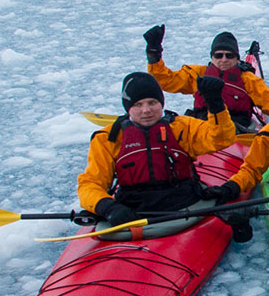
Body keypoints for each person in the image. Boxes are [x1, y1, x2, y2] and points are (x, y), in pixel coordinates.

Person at [76, 72, 238, 237]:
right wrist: (108, 207)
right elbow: (90, 184)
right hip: (134, 210)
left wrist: (216, 106)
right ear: (128, 108)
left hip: (183, 205)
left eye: (152, 103)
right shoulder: (107, 139)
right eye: (138, 105)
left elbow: (222, 139)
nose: (146, 110)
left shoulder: (182, 127)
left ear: (161, 103)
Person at [142, 24, 269, 131]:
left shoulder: (248, 80)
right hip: (202, 128)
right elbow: (164, 81)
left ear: (237, 59)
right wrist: (154, 54)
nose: (224, 59)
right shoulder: (197, 74)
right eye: (218, 55)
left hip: (237, 132)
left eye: (229, 55)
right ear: (211, 57)